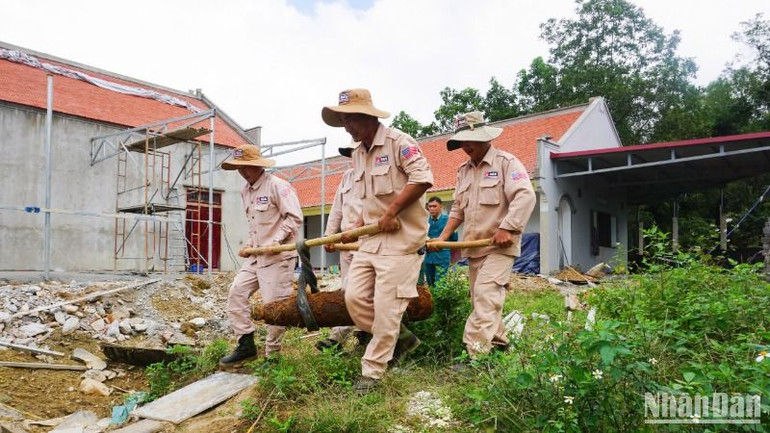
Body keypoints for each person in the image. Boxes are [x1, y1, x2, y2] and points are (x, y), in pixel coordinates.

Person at [322, 88, 434, 394]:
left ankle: (373, 371)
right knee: (354, 297)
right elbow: (365, 197)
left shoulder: (400, 142)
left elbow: (423, 178)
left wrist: (393, 210)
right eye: (343, 120)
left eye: (350, 120)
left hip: (402, 242)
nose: (346, 127)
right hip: (370, 242)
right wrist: (358, 224)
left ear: (367, 116)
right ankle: (401, 337)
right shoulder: (358, 153)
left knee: (386, 306)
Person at [430, 111, 536, 365]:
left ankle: (474, 354)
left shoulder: (506, 163)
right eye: (462, 142)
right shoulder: (463, 171)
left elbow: (525, 196)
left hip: (500, 247)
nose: (465, 147)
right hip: (474, 248)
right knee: (482, 297)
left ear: (485, 137)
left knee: (485, 294)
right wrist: (442, 238)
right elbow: (457, 209)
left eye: (470, 140)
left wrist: (508, 228)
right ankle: (499, 343)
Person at [218, 144, 303, 367]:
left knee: (274, 307)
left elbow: (294, 218)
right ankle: (246, 345)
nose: (243, 172)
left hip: (278, 258)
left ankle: (273, 356)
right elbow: (256, 226)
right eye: (239, 168)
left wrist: (277, 241)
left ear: (257, 165)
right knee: (236, 293)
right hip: (256, 257)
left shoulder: (278, 186)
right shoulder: (246, 191)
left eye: (247, 167)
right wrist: (249, 245)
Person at [315, 142, 364, 352]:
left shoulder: (377, 176)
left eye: (359, 153)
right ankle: (350, 336)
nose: (355, 157)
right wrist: (328, 236)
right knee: (347, 289)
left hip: (367, 243)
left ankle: (338, 337)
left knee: (357, 291)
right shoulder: (347, 177)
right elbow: (336, 209)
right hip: (346, 245)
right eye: (352, 154)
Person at [421, 197, 457, 287]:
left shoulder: (448, 220)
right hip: (428, 257)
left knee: (441, 284)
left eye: (434, 206)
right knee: (430, 284)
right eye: (430, 206)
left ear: (441, 206)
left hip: (442, 256)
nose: (432, 208)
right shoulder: (425, 220)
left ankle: (440, 301)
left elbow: (454, 238)